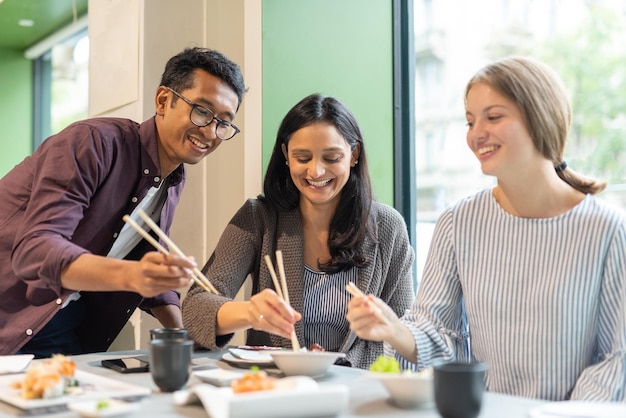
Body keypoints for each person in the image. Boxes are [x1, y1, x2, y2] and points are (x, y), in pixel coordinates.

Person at [346, 56, 626, 401]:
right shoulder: (457, 222)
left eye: (493, 117)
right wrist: (393, 329)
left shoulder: (608, 229)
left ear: (541, 117)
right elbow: (439, 337)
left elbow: (615, 358)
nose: (476, 134)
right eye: (469, 121)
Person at [0, 47, 247, 358]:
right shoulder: (92, 143)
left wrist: (184, 337)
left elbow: (146, 258)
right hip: (12, 313)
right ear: (163, 101)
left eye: (223, 123)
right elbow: (35, 250)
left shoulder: (172, 179)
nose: (210, 132)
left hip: (62, 323)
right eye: (201, 111)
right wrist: (132, 275)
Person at [182, 94, 414, 369]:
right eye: (302, 157)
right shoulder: (259, 217)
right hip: (278, 390)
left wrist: (386, 327)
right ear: (285, 156)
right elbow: (194, 310)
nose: (315, 171)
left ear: (354, 155)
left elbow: (407, 334)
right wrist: (249, 312)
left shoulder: (388, 227)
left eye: (332, 157)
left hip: (358, 393)